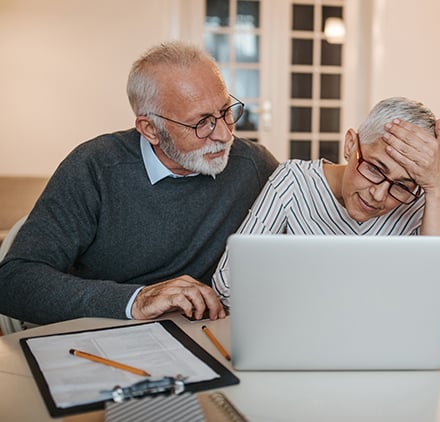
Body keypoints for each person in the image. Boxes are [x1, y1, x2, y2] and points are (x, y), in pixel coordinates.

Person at [0, 41, 278, 324]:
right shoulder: (95, 167)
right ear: (150, 129)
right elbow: (14, 281)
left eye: (225, 111)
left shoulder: (252, 164)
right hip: (106, 336)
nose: (224, 134)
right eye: (201, 122)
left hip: (207, 335)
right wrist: (136, 300)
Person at [212, 96, 440, 306]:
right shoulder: (294, 180)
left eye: (401, 185)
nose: (379, 195)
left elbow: (437, 301)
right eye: (374, 169)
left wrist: (439, 186)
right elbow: (227, 283)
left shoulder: (415, 204)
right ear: (350, 144)